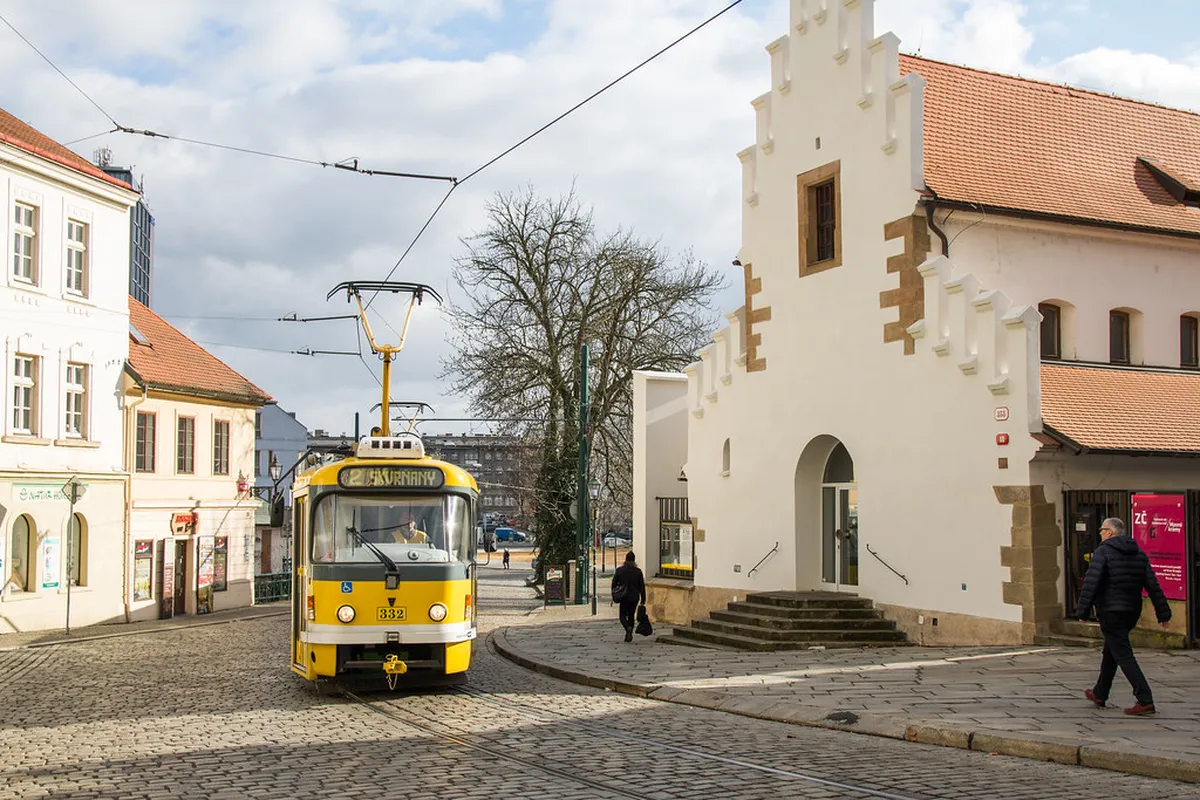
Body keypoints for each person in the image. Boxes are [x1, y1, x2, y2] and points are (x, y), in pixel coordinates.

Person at [1075, 516, 1171, 715]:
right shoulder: (1138, 553)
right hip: (1131, 612)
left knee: (1123, 655)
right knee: (1112, 651)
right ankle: (1100, 693)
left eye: (1102, 529)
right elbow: (1153, 586)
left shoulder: (1103, 552)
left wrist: (1082, 612)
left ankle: (1145, 698)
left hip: (1111, 611)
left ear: (1109, 532)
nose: (1100, 533)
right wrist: (1163, 613)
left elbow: (1091, 583)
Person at [611, 551, 646, 643]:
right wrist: (643, 599)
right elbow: (642, 587)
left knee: (622, 616)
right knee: (631, 615)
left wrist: (614, 593)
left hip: (623, 596)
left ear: (625, 559)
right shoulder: (638, 572)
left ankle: (628, 628)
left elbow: (614, 584)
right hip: (634, 597)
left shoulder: (620, 570)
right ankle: (629, 633)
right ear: (634, 560)